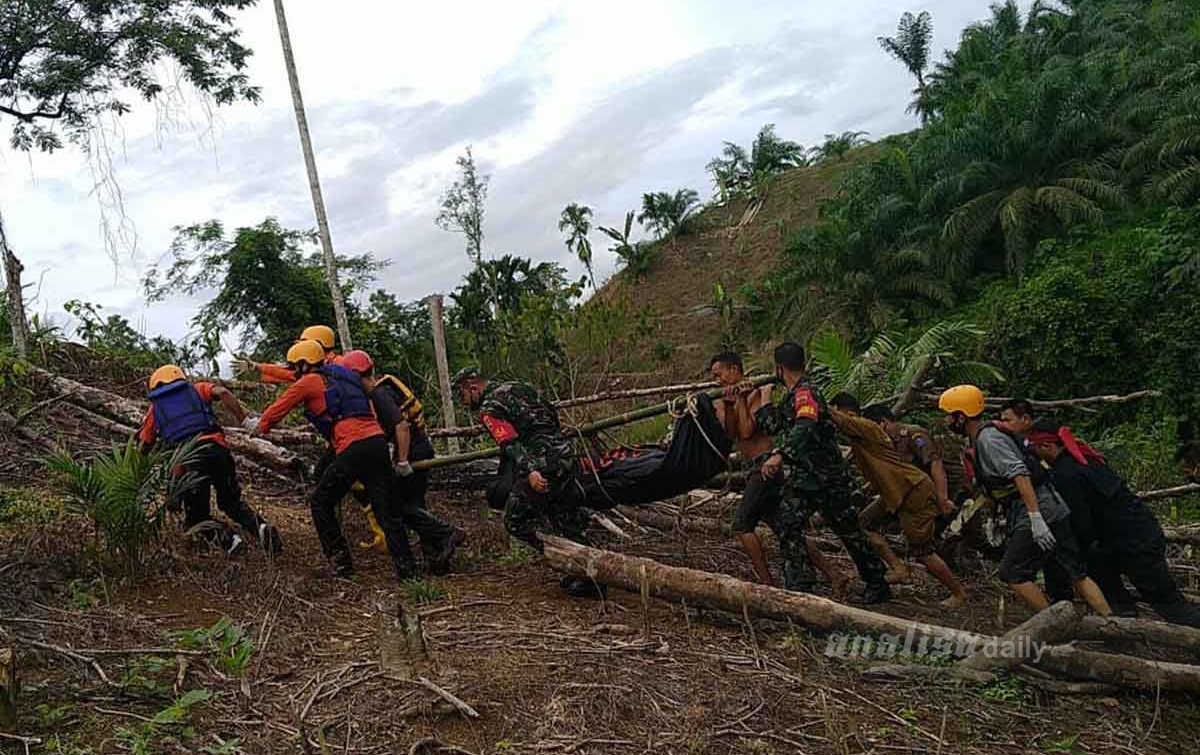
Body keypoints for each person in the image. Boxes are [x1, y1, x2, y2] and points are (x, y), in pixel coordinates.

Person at [938, 385, 1111, 615]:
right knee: (1076, 573)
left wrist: (1035, 518)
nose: (946, 421)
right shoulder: (985, 437)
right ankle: (1110, 623)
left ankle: (1052, 625)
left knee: (1012, 573)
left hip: (1037, 509)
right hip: (1050, 505)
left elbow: (1020, 474)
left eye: (949, 416)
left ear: (961, 417)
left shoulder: (988, 440)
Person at [252, 340, 416, 581]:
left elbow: (281, 405)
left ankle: (342, 566)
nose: (293, 371)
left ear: (304, 364)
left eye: (295, 366)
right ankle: (408, 572)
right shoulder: (345, 374)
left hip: (353, 447)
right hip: (377, 443)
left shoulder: (308, 381)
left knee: (320, 501)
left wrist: (259, 426)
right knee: (386, 510)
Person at [1029, 418, 1200, 626]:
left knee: (1170, 605)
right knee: (1108, 582)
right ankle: (1123, 627)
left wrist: (1073, 551)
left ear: (1047, 446)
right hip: (1128, 537)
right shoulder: (1085, 458)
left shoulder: (1067, 473)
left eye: (1036, 448)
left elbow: (1082, 521)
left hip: (1134, 543)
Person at [756, 343, 891, 603]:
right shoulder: (794, 395)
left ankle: (876, 582)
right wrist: (764, 401)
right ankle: (801, 586)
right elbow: (775, 426)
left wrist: (779, 454)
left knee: (848, 531)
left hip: (825, 479)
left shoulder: (806, 393)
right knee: (789, 524)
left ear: (779, 368)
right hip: (807, 479)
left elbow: (805, 425)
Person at [708, 352, 850, 596]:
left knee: (742, 525)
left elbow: (747, 431)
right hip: (753, 465)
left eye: (719, 374)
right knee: (784, 525)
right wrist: (731, 404)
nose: (717, 380)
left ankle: (767, 585)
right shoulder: (725, 398)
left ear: (733, 370)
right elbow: (730, 434)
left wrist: (742, 399)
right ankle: (835, 574)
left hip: (765, 467)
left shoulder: (755, 390)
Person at [452, 367, 600, 598]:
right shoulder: (521, 387)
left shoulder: (489, 408)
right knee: (561, 513)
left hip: (542, 464)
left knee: (516, 520)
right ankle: (587, 572)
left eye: (462, 395)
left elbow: (509, 443)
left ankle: (577, 565)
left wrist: (531, 470)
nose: (463, 401)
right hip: (565, 456)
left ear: (472, 387)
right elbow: (551, 415)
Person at [829, 394, 968, 606]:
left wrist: (943, 498)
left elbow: (936, 464)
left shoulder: (904, 433)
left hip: (915, 491)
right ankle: (898, 568)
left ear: (882, 422)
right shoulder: (876, 439)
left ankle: (959, 593)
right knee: (865, 524)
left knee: (923, 551)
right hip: (896, 491)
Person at [340, 350, 465, 575]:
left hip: (414, 453)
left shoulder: (378, 394)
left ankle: (446, 533)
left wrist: (402, 461)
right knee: (414, 504)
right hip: (417, 449)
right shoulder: (381, 390)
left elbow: (402, 427)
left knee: (399, 506)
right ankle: (438, 558)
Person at [139, 365, 282, 556]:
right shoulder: (197, 389)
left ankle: (229, 540)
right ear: (180, 378)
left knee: (196, 518)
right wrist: (244, 420)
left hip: (190, 461)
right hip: (218, 451)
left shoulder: (154, 410)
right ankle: (261, 528)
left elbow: (145, 444)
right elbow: (222, 391)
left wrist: (138, 467)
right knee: (231, 503)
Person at [232, 324, 341, 384]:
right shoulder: (311, 367)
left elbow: (287, 374)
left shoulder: (334, 364)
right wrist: (257, 367)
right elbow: (285, 372)